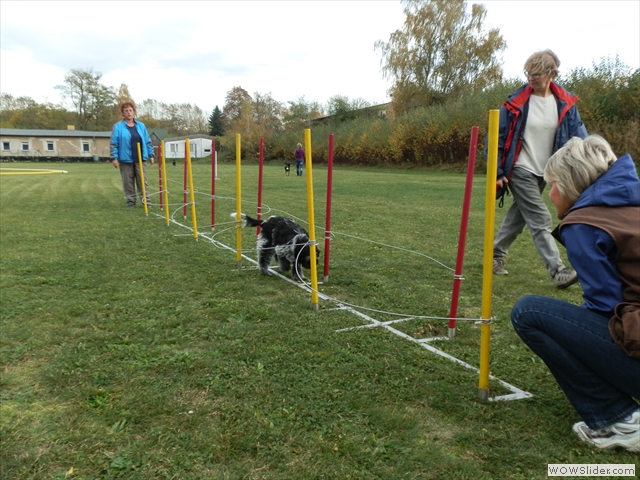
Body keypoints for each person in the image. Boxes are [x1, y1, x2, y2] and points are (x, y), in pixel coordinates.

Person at [511, 135, 640, 452]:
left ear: (570, 185)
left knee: (529, 313)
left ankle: (622, 419)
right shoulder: (631, 207)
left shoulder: (584, 222)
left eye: (552, 185)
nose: (550, 196)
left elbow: (607, 312)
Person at [493, 49, 588, 288]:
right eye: (528, 73)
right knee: (539, 218)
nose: (530, 78)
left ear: (552, 74)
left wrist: (591, 162)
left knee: (518, 217)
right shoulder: (515, 103)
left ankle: (494, 255)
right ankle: (558, 271)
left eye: (536, 73)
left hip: (545, 172)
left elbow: (579, 135)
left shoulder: (564, 103)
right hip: (519, 168)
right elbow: (497, 138)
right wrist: (498, 172)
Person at [110, 102, 154, 208]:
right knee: (128, 183)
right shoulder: (118, 127)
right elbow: (114, 144)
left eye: (130, 110)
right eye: (126, 111)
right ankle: (131, 202)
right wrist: (114, 158)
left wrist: (151, 155)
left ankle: (146, 202)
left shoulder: (141, 126)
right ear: (123, 113)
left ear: (133, 112)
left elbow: (147, 141)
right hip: (125, 159)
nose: (129, 113)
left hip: (140, 158)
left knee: (142, 182)